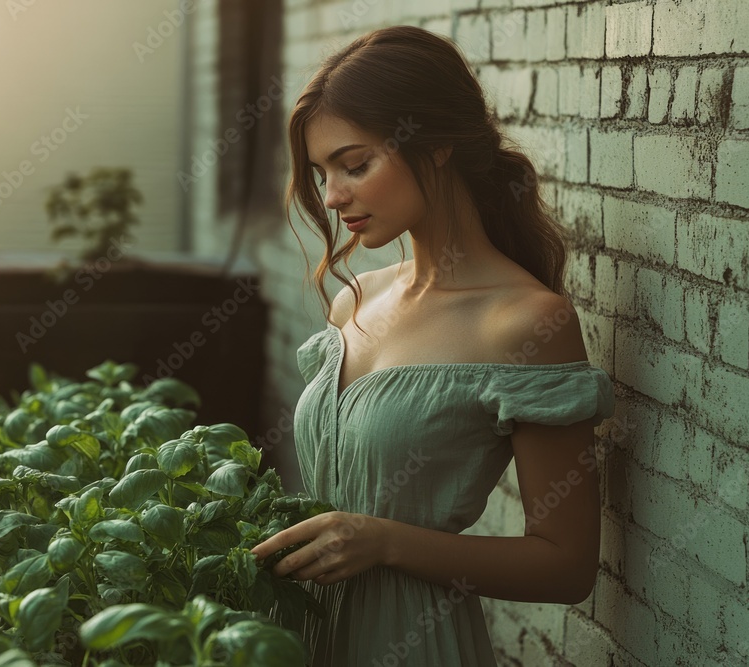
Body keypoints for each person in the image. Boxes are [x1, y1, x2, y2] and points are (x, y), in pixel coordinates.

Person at [249, 25, 617, 666]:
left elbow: (566, 567)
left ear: (438, 144)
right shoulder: (355, 301)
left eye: (355, 164)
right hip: (304, 640)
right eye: (322, 173)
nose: (333, 198)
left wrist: (383, 542)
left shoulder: (526, 322)